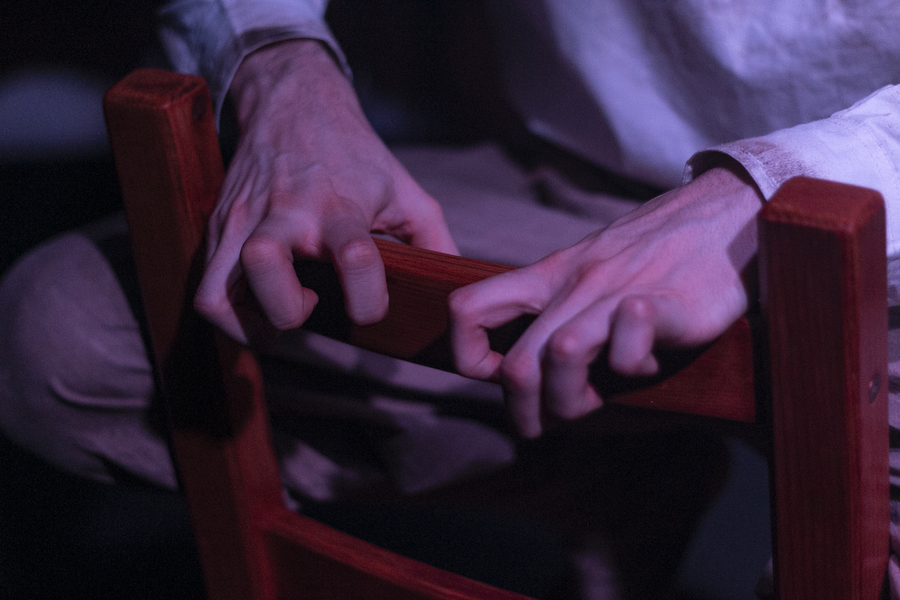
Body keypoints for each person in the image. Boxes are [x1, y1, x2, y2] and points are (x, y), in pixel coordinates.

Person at [3, 1, 900, 597]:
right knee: (65, 342)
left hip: (879, 211)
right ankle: (616, 475)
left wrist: (765, 185)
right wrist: (277, 66)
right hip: (579, 169)